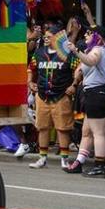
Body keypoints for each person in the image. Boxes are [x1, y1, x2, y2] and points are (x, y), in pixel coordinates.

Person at [61, 27, 105, 177]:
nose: (86, 35)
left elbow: (91, 61)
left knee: (98, 133)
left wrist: (75, 51)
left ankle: (99, 166)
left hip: (96, 94)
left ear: (97, 36)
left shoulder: (97, 50)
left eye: (88, 33)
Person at [28, 25, 79, 169]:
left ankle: (64, 159)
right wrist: (30, 82)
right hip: (42, 96)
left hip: (61, 96)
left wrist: (74, 85)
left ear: (57, 37)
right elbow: (30, 69)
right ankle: (42, 158)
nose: (46, 38)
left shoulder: (67, 53)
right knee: (42, 127)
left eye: (49, 36)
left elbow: (78, 70)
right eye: (45, 36)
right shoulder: (39, 52)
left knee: (62, 128)